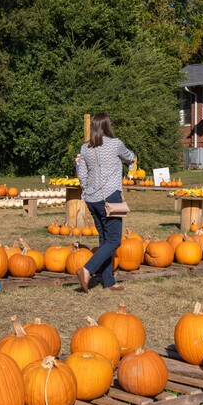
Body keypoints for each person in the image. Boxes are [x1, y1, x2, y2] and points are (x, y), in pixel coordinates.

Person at [76, 112, 136, 292]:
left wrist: (87, 190)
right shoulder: (116, 144)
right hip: (111, 198)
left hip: (92, 199)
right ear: (108, 126)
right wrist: (131, 163)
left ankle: (108, 282)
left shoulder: (85, 148)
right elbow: (130, 157)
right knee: (114, 241)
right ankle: (87, 270)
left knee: (104, 240)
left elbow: (82, 173)